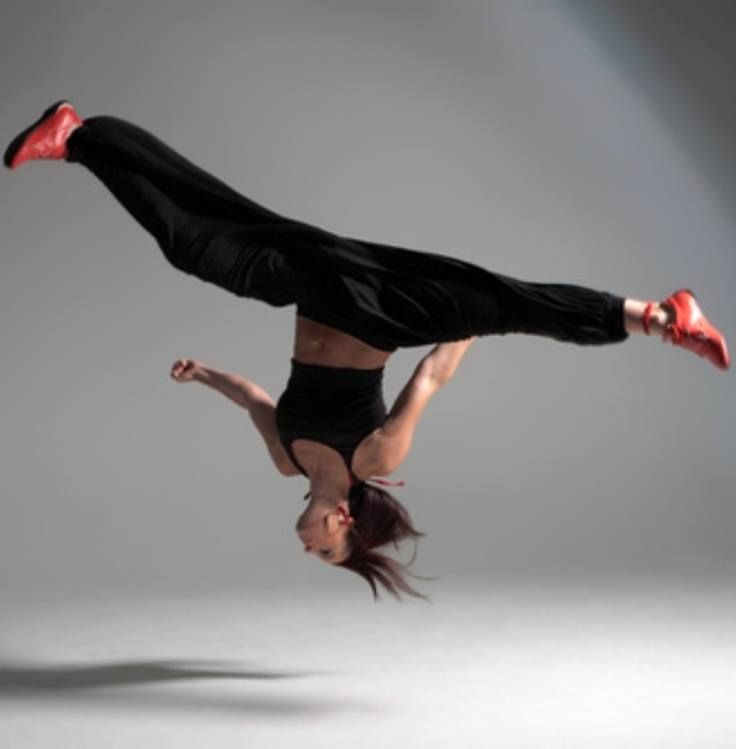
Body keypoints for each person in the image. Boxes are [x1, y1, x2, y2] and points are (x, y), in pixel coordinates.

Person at [5, 100, 730, 600]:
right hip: (380, 308)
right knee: (510, 301)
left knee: (193, 245)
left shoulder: (287, 457)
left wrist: (204, 376)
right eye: (322, 549)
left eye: (311, 553)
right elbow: (430, 377)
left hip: (312, 290)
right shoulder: (373, 461)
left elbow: (257, 400)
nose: (306, 546)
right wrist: (474, 317)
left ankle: (77, 137)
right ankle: (664, 318)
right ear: (343, 521)